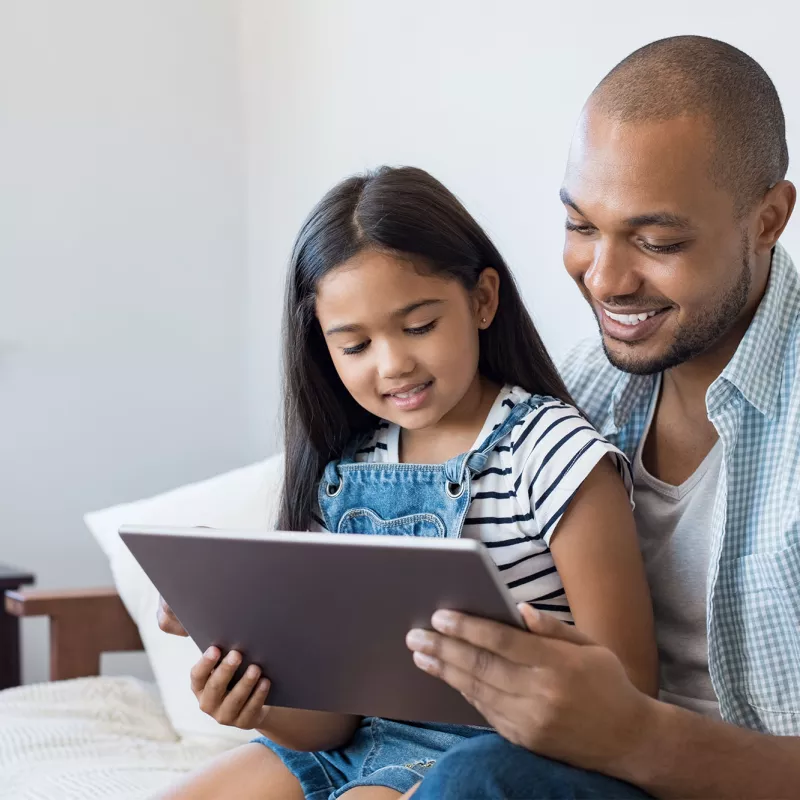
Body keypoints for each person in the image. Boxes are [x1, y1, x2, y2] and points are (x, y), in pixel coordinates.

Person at [157, 166, 658, 799]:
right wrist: (256, 699)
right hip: (361, 749)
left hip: (505, 754)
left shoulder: (552, 453)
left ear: (482, 300)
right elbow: (333, 723)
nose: (393, 364)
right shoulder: (343, 471)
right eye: (355, 345)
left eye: (418, 326)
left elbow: (632, 692)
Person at [403, 35, 800, 799]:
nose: (606, 279)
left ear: (768, 219)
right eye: (582, 227)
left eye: (658, 241)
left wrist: (638, 738)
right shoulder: (576, 391)